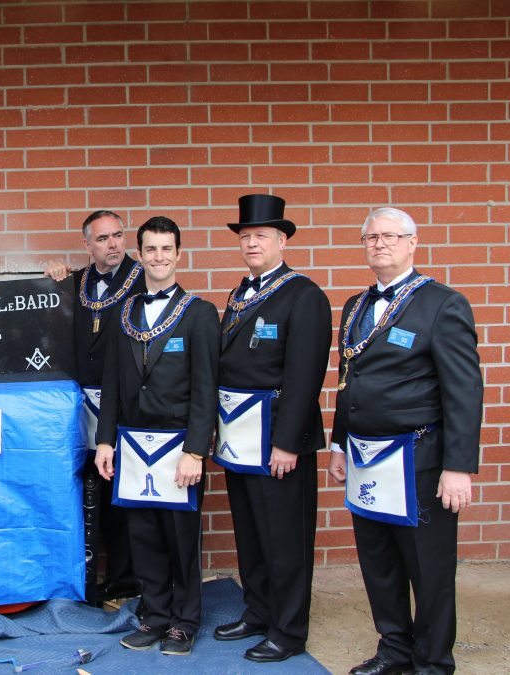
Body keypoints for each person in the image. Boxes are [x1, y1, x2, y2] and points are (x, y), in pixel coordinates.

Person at [328, 207, 483, 675]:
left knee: (429, 569)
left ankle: (433, 661)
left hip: (419, 459)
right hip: (365, 458)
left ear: (412, 243)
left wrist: (458, 466)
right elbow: (346, 380)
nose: (380, 244)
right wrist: (338, 444)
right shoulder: (356, 305)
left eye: (390, 236)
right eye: (370, 237)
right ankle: (394, 650)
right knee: (379, 563)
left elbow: (463, 390)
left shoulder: (442, 304)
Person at [211, 195, 332, 663]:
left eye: (260, 235)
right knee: (252, 533)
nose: (251, 243)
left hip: (277, 438)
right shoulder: (242, 292)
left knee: (285, 539)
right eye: (244, 237)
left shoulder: (304, 295)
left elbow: (305, 376)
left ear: (282, 240)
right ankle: (258, 611)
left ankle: (288, 629)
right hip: (239, 437)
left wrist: (286, 443)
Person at [94, 216, 219, 656]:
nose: (159, 257)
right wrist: (105, 440)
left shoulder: (200, 314)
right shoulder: (123, 312)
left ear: (178, 254)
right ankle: (155, 615)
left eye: (167, 249)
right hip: (132, 444)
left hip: (177, 446)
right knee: (143, 536)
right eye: (151, 249)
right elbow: (111, 382)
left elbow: (207, 388)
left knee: (181, 538)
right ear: (140, 253)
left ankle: (185, 621)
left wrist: (196, 451)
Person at [44, 210, 146, 603]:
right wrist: (51, 276)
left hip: (124, 404)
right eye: (103, 239)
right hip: (81, 407)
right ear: (87, 245)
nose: (114, 244)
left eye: (119, 236)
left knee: (121, 491)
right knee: (87, 490)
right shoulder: (74, 282)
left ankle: (126, 577)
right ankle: (87, 575)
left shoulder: (143, 280)